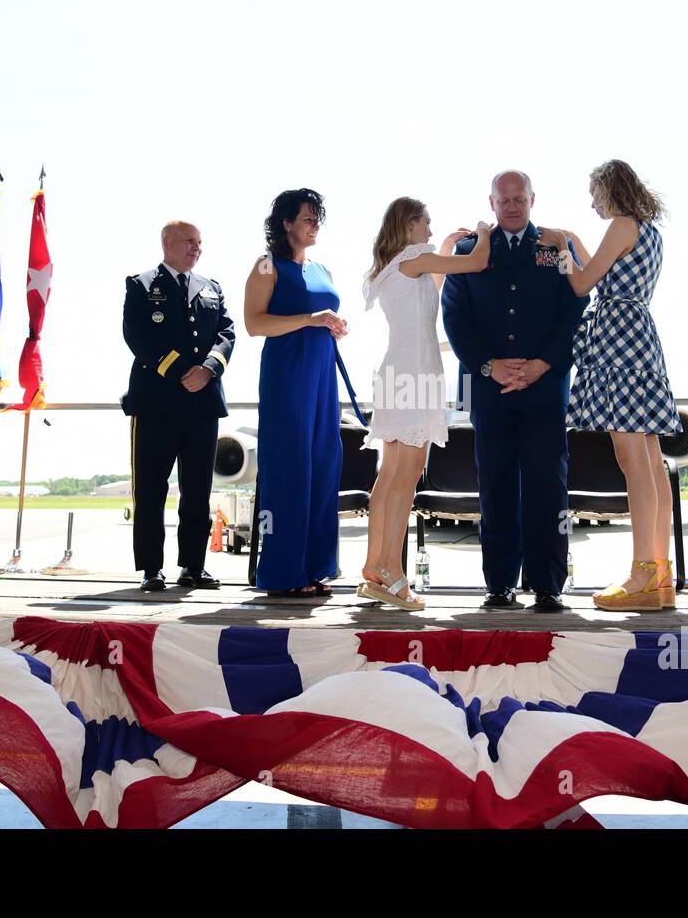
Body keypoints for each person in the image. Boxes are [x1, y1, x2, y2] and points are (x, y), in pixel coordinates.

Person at [441, 170, 590, 613]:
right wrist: (489, 366)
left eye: (519, 198)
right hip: (490, 391)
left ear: (532, 199)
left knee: (548, 485)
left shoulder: (555, 248)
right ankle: (500, 583)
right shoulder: (468, 254)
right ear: (491, 203)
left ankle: (548, 584)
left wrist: (545, 362)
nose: (511, 206)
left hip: (545, 388)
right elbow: (455, 317)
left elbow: (576, 308)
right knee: (496, 486)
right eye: (503, 199)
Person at [537, 159, 680, 611]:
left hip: (617, 337)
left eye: (594, 191)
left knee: (632, 459)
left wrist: (563, 249)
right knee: (652, 459)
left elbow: (581, 283)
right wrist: (573, 240)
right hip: (640, 335)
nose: (591, 200)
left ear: (609, 189)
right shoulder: (648, 230)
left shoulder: (620, 224)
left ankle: (641, 575)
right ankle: (659, 574)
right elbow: (603, 265)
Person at [358, 198, 492, 610]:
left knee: (392, 472)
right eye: (427, 223)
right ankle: (390, 572)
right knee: (407, 473)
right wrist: (484, 234)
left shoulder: (394, 265)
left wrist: (446, 247)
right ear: (410, 224)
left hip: (398, 371)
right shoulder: (415, 256)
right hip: (414, 372)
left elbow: (430, 292)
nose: (431, 231)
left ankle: (375, 566)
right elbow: (476, 264)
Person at [121, 220, 235, 592]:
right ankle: (151, 568)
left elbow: (226, 332)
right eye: (189, 241)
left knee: (197, 489)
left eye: (200, 242)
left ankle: (193, 566)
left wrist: (208, 370)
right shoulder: (141, 284)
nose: (196, 248)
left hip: (202, 404)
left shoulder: (211, 288)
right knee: (151, 489)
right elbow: (137, 334)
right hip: (156, 403)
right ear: (167, 242)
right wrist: (183, 370)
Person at [244, 188, 347, 596]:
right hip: (287, 375)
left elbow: (319, 318)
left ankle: (315, 568)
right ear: (286, 223)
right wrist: (311, 318)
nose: (314, 225)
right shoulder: (267, 266)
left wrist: (333, 324)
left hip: (322, 374)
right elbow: (254, 323)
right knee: (289, 467)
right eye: (307, 218)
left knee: (323, 463)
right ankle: (284, 574)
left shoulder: (323, 269)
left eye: (317, 218)